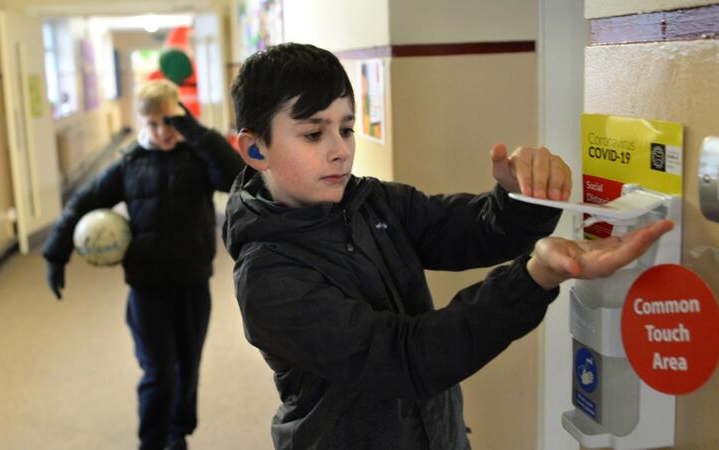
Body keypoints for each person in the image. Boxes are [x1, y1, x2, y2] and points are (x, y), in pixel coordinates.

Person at [224, 43, 673, 450]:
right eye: (313, 134)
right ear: (255, 149)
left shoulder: (372, 202)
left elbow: (471, 231)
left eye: (346, 128)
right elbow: (405, 359)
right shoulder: (268, 278)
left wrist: (522, 198)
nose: (340, 150)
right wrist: (533, 277)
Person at [42, 79, 244, 450]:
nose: (161, 131)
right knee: (159, 373)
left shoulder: (199, 156)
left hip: (192, 283)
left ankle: (177, 434)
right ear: (141, 122)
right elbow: (81, 203)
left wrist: (197, 133)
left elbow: (235, 177)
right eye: (152, 124)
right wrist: (55, 252)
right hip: (146, 287)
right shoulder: (130, 163)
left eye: (170, 121)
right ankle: (151, 442)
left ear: (181, 116)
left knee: (187, 367)